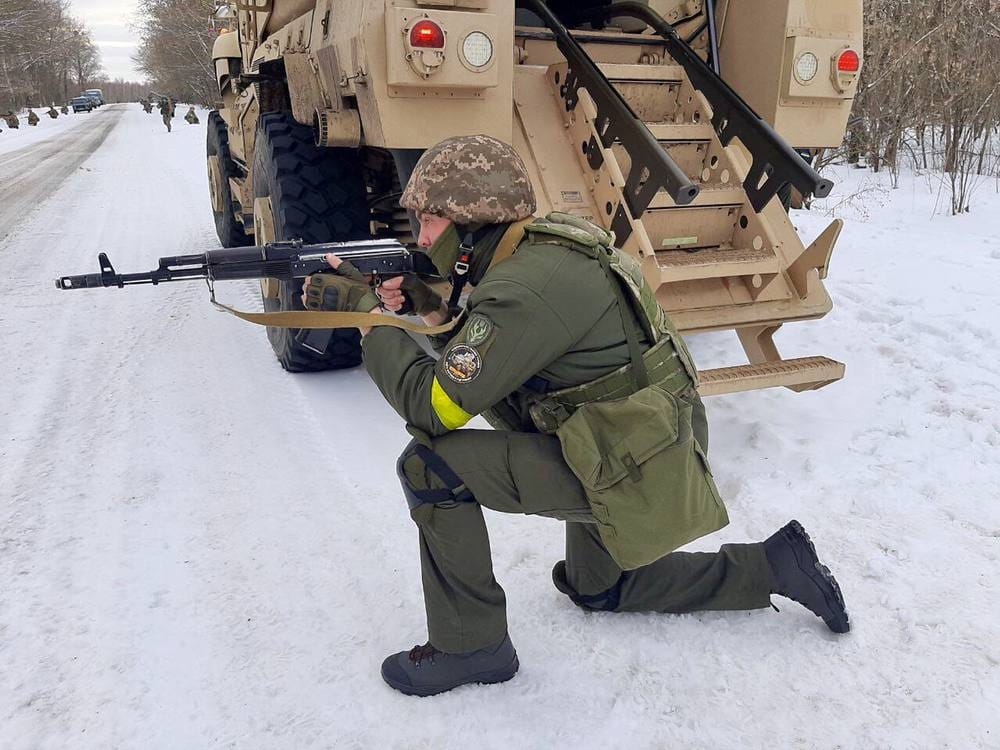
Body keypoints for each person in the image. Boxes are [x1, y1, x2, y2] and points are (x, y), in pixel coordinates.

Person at [301, 135, 850, 697]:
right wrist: (426, 304)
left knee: (430, 467)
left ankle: (471, 646)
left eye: (431, 223)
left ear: (471, 218)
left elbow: (434, 406)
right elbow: (492, 352)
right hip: (631, 441)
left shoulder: (526, 288)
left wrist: (367, 319)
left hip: (632, 459)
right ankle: (775, 566)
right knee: (601, 588)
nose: (420, 238)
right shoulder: (539, 250)